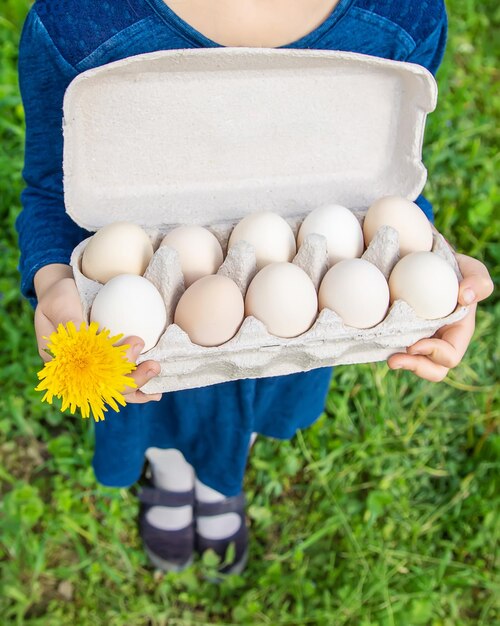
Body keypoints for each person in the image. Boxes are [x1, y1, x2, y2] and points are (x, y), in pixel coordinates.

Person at [17, 0, 493, 575]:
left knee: (261, 387)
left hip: (301, 321)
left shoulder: (402, 12)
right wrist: (51, 282)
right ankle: (170, 472)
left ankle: (221, 481)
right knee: (161, 413)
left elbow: (384, 177)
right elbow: (50, 188)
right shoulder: (79, 18)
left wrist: (421, 259)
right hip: (153, 349)